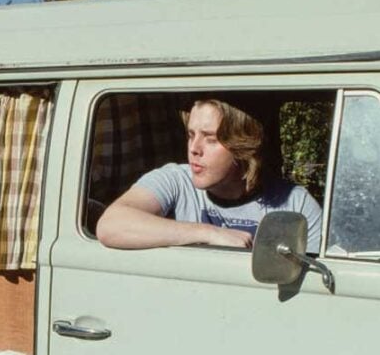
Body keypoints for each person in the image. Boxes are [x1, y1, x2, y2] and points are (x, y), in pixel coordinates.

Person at [95, 98, 321, 252]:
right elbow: (111, 225)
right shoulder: (175, 180)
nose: (194, 148)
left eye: (210, 139)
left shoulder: (295, 204)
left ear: (242, 145)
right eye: (191, 134)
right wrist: (208, 233)